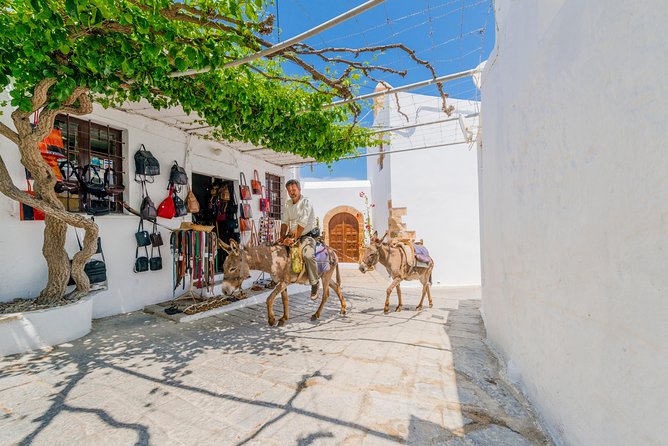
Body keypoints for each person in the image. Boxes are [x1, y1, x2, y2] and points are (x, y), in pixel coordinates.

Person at [278, 179, 320, 299]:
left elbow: (302, 223)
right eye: (289, 191)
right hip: (293, 236)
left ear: (299, 189)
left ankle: (314, 283)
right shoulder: (287, 204)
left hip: (307, 235)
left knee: (308, 255)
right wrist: (282, 237)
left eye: (294, 190)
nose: (292, 192)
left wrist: (292, 239)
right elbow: (285, 222)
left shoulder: (306, 202)